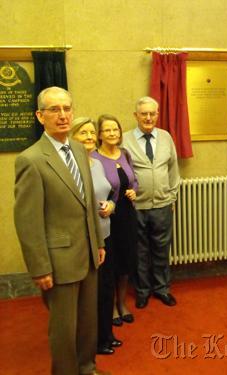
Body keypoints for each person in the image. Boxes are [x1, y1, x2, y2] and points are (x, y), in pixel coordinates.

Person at [13, 87, 109, 375]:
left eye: (67, 108)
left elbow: (88, 201)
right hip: (58, 260)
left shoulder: (79, 149)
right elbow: (27, 221)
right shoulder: (31, 160)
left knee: (87, 321)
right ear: (40, 116)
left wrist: (98, 242)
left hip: (89, 253)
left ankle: (87, 367)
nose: (63, 115)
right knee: (64, 329)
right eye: (54, 110)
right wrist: (40, 267)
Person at [122, 96, 180, 309]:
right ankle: (143, 291)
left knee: (162, 249)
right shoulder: (124, 140)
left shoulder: (166, 137)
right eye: (143, 113)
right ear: (135, 115)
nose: (148, 117)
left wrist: (172, 196)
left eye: (152, 113)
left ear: (157, 114)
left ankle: (162, 289)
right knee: (140, 251)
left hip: (163, 204)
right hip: (136, 206)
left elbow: (173, 169)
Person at [71, 117, 122, 355]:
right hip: (87, 239)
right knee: (91, 293)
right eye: (83, 133)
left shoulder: (97, 163)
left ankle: (106, 335)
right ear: (72, 137)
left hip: (106, 234)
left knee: (106, 287)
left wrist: (112, 205)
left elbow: (110, 193)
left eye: (92, 133)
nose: (90, 137)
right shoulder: (71, 167)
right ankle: (94, 341)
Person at [93, 115, 138, 325]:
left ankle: (122, 303)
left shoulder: (125, 154)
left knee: (126, 262)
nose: (112, 134)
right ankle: (110, 308)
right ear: (99, 134)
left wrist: (134, 192)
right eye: (107, 130)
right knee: (110, 265)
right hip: (108, 217)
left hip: (127, 215)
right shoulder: (94, 158)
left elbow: (134, 180)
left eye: (116, 130)